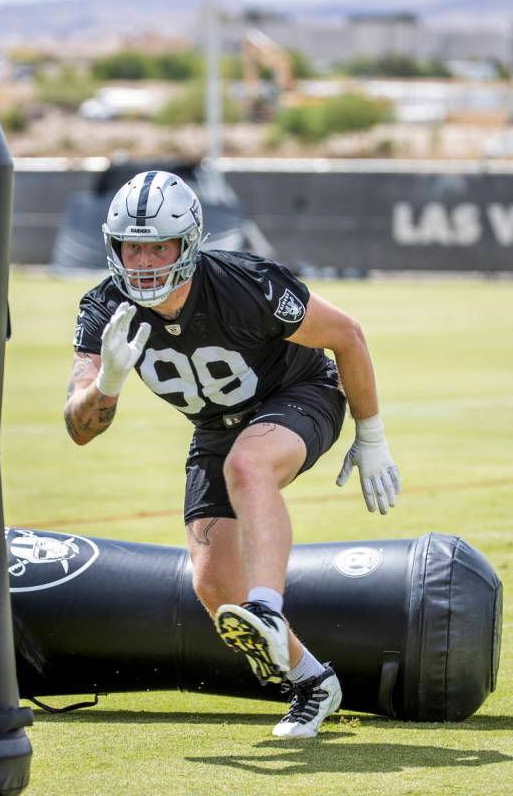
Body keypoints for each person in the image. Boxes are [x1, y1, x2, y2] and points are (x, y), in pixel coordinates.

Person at [63, 170, 400, 739]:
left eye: (159, 246)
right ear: (112, 244)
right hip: (214, 427)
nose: (144, 261)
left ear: (189, 242)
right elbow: (79, 427)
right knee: (214, 585)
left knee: (249, 464)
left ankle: (267, 605)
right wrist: (108, 384)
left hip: (298, 395)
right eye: (132, 245)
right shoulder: (104, 309)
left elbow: (348, 334)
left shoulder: (246, 283)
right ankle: (314, 682)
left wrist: (371, 435)